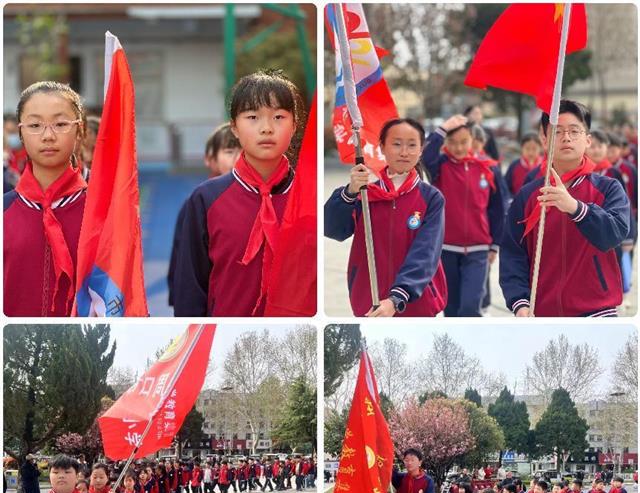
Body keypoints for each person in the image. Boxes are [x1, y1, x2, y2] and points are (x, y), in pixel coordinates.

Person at [173, 70, 304, 317]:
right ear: (234, 127)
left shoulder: (309, 196)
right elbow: (190, 290)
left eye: (278, 117)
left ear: (294, 125)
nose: (266, 128)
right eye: (252, 117)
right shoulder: (206, 199)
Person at [500, 99, 631, 317]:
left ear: (587, 140)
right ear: (544, 139)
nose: (566, 137)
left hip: (597, 311)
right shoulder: (528, 195)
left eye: (574, 131)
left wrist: (575, 208)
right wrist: (520, 303)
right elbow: (513, 254)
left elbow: (613, 234)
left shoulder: (608, 188)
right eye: (557, 131)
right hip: (542, 314)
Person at [325, 117, 447, 317]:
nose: (404, 152)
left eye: (412, 145)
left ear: (421, 150)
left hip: (416, 300)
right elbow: (332, 229)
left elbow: (426, 252)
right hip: (369, 298)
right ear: (381, 147)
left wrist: (398, 297)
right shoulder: (365, 194)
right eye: (396, 144)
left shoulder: (431, 198)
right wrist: (349, 192)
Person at [4, 82, 90, 316]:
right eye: (34, 125)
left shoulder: (102, 211)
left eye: (61, 124)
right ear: (20, 132)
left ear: (80, 130)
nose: (48, 136)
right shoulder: (5, 211)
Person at [422, 114, 507, 317]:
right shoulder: (439, 166)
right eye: (452, 142)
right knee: (450, 309)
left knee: (470, 307)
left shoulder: (488, 168)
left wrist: (495, 244)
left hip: (479, 249)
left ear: (473, 139)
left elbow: (498, 209)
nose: (459, 148)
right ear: (445, 143)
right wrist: (442, 129)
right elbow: (424, 156)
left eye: (464, 142)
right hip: (446, 249)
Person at [167, 123, 241, 307]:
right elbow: (183, 267)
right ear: (210, 159)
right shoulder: (199, 202)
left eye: (243, 150)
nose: (238, 158)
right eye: (229, 151)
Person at [504, 133, 543, 198]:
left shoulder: (545, 166)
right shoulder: (514, 165)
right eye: (527, 148)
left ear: (541, 148)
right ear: (521, 148)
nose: (530, 152)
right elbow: (506, 187)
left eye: (534, 149)